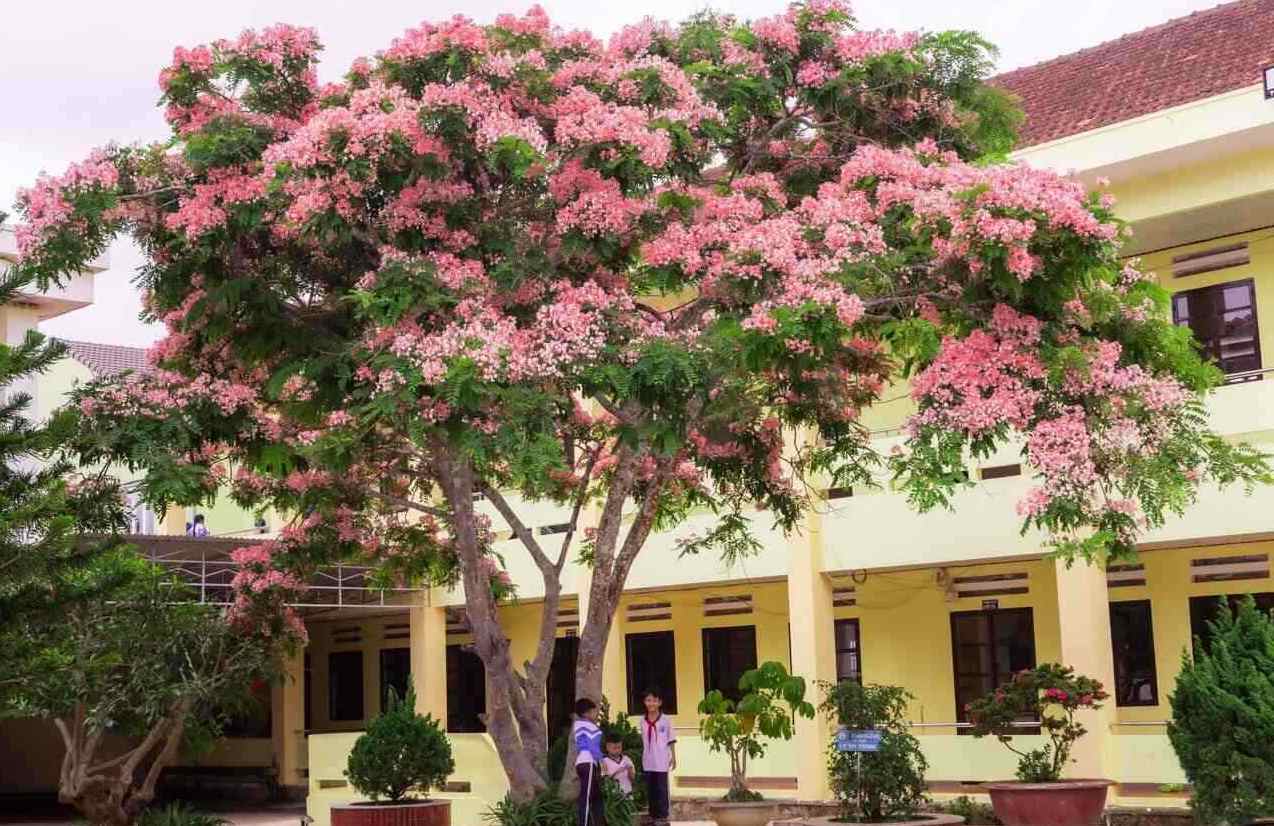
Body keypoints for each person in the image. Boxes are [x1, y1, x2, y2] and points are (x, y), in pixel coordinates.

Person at [640, 688, 676, 825]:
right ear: (644, 702)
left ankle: (662, 816)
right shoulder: (642, 721)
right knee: (651, 789)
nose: (651, 703)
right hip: (648, 761)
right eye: (648, 700)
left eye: (654, 700)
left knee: (662, 789)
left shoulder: (666, 720)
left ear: (660, 702)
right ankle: (653, 815)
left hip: (661, 760)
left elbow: (671, 739)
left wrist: (674, 756)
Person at [572, 698, 606, 826]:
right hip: (589, 762)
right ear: (586, 713)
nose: (595, 714)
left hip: (580, 762)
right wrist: (601, 762)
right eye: (593, 711)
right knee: (586, 797)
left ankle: (600, 822)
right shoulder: (590, 726)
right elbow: (593, 747)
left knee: (596, 796)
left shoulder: (577, 725)